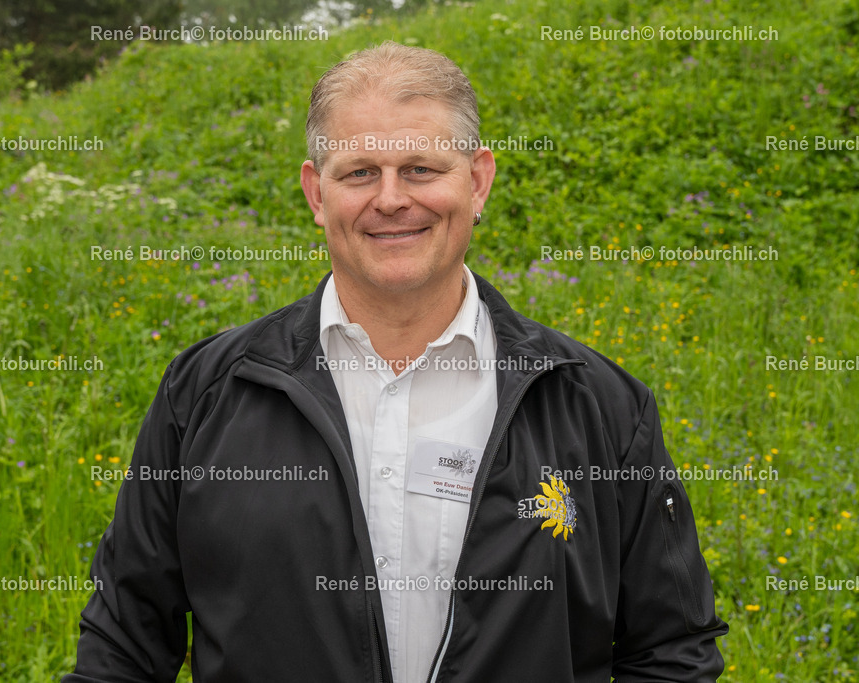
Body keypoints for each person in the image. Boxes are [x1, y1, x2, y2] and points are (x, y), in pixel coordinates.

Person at [64, 41, 728, 683]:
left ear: (478, 181)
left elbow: (671, 649)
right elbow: (122, 648)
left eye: (420, 169)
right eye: (359, 172)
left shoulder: (602, 408)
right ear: (316, 193)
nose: (389, 199)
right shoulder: (204, 395)